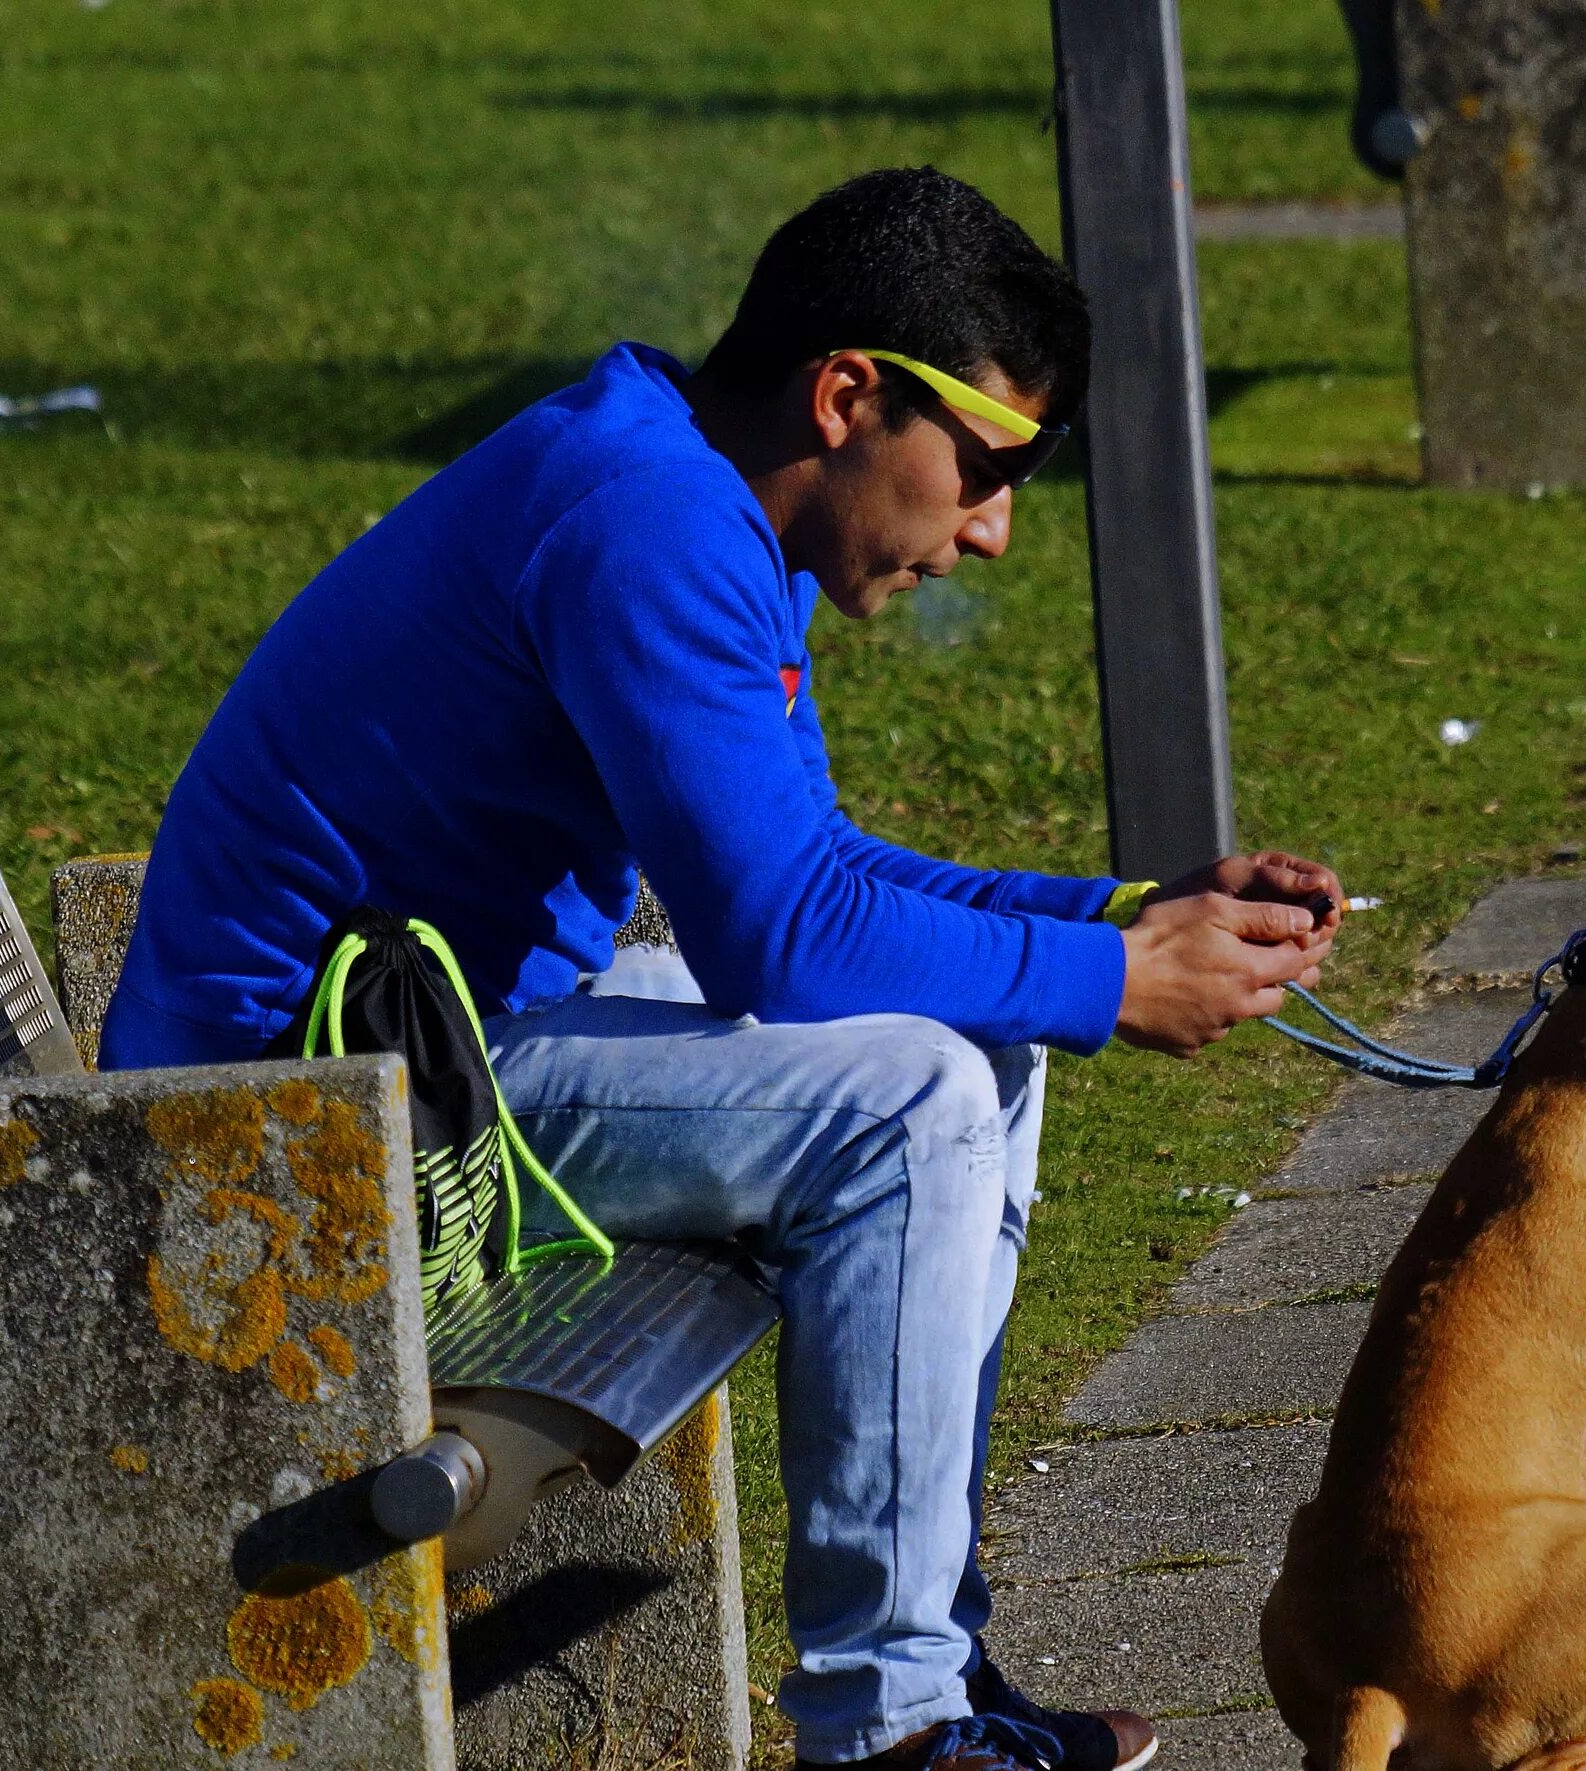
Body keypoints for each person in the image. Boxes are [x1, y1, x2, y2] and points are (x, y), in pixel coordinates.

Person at [102, 166, 1342, 1771]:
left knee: (984, 1040)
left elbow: (811, 871)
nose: (995, 527)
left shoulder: (682, 492)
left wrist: (1115, 917)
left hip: (441, 1060)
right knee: (910, 1104)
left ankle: (936, 1674)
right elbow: (782, 939)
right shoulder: (650, 526)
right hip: (298, 1123)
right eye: (990, 463)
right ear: (848, 397)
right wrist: (1114, 981)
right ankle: (893, 1731)